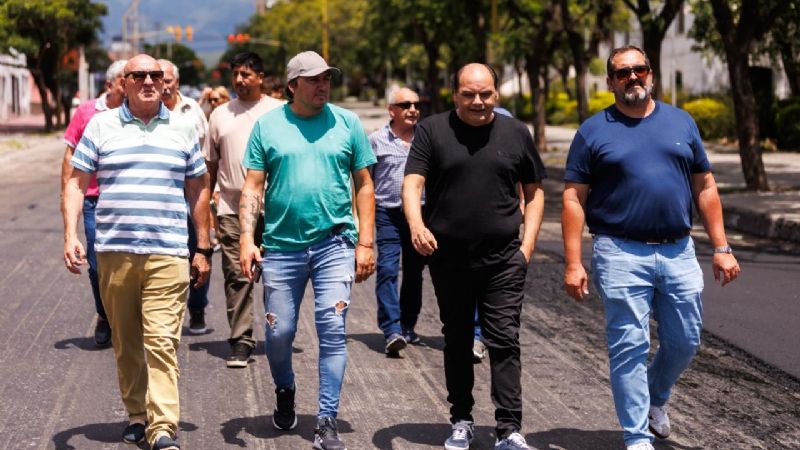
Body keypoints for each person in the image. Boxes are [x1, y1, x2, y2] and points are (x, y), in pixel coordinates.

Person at [561, 45, 741, 450]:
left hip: (679, 251)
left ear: (651, 75)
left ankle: (656, 397)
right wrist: (573, 262)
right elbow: (573, 197)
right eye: (622, 73)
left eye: (639, 69)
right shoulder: (593, 130)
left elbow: (705, 186)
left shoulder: (681, 122)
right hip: (620, 252)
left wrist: (722, 246)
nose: (632, 77)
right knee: (629, 344)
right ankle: (636, 437)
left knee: (686, 340)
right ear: (610, 82)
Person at [62, 54, 211, 450]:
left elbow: (198, 189)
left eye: (155, 75)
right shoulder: (101, 125)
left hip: (168, 251)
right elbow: (77, 182)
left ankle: (162, 426)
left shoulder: (182, 128)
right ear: (123, 83)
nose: (148, 81)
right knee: (126, 342)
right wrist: (71, 233)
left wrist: (203, 246)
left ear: (165, 83)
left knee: (162, 340)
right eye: (139, 75)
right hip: (114, 251)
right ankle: (137, 414)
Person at [403, 63, 546, 450]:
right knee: (458, 339)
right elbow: (412, 181)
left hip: (503, 260)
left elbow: (534, 192)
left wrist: (527, 247)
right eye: (469, 94)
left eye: (485, 94)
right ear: (455, 95)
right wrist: (417, 225)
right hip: (448, 260)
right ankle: (461, 419)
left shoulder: (515, 132)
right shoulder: (432, 130)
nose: (478, 102)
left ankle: (508, 429)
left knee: (504, 340)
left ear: (496, 95)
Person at [239, 50, 376, 450]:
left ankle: (326, 421)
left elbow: (364, 184)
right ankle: (285, 387)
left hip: (335, 242)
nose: (323, 86)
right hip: (281, 246)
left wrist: (365, 242)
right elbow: (252, 187)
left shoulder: (347, 123)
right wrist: (248, 239)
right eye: (314, 80)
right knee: (279, 333)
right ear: (293, 85)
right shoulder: (268, 126)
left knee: (333, 330)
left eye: (327, 79)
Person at [204, 52, 284, 367]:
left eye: (246, 74)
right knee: (238, 274)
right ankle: (241, 340)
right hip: (230, 207)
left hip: (276, 207)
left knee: (278, 274)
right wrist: (207, 203)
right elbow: (210, 165)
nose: (239, 80)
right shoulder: (220, 115)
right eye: (235, 74)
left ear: (261, 77)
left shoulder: (280, 112)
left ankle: (279, 333)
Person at [60, 59, 127, 348]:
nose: (134, 84)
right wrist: (66, 195)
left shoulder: (138, 113)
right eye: (127, 79)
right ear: (112, 84)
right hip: (93, 199)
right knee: (98, 265)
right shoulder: (88, 111)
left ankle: (127, 319)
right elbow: (70, 155)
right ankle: (104, 315)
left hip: (126, 199)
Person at [369, 87, 427, 356]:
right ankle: (391, 329)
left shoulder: (426, 139)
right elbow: (366, 183)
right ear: (391, 110)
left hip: (420, 216)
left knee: (415, 273)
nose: (412, 109)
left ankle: (407, 325)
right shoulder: (376, 141)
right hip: (388, 214)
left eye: (416, 104)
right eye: (405, 105)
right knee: (388, 269)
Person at [159, 59, 213, 335]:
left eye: (168, 80)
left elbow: (205, 155)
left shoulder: (191, 111)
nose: (163, 85)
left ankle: (197, 307)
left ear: (176, 82)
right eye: (160, 79)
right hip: (162, 192)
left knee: (198, 247)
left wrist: (208, 196)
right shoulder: (145, 112)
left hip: (192, 188)